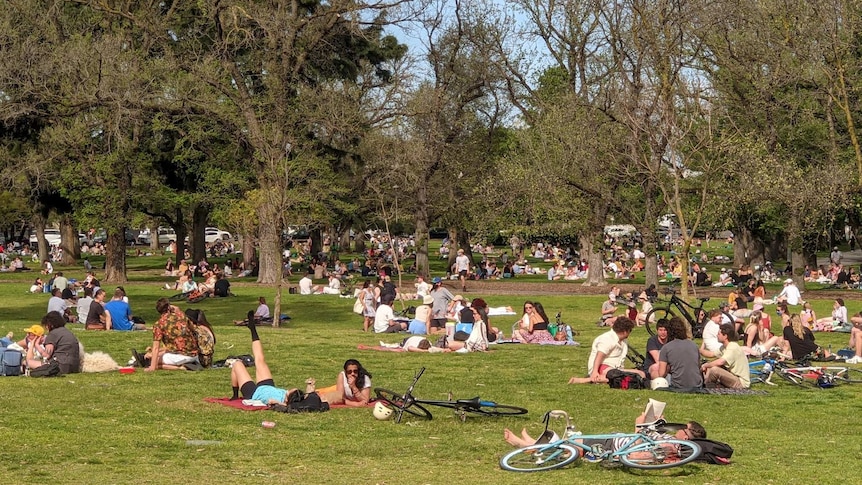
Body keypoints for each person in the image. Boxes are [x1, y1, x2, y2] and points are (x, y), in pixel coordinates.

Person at [504, 411, 707, 454]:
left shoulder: (673, 446)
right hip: (618, 439)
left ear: (688, 435)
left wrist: (639, 425)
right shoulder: (670, 438)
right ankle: (535, 445)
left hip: (615, 446)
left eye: (683, 428)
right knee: (576, 440)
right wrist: (647, 422)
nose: (679, 428)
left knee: (575, 446)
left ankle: (528, 446)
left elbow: (641, 446)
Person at [569, 317, 642, 384]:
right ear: (625, 331)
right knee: (618, 377)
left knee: (640, 374)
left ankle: (597, 379)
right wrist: (595, 372)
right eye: (630, 330)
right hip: (602, 367)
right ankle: (588, 379)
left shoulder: (623, 341)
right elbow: (599, 356)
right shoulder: (607, 339)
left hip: (615, 369)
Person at [145, 298, 201, 371]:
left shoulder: (159, 324)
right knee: (159, 356)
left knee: (153, 361)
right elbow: (193, 329)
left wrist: (152, 367)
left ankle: (180, 368)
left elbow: (156, 348)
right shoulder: (181, 315)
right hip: (195, 354)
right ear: (169, 307)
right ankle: (188, 364)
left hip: (181, 356)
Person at [656, 317, 703, 389]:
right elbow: (698, 367)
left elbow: (661, 374)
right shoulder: (694, 345)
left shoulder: (666, 348)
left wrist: (668, 368)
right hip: (697, 385)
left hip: (678, 385)